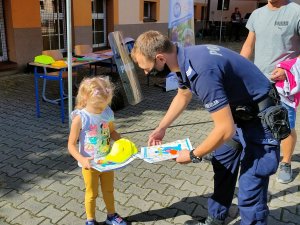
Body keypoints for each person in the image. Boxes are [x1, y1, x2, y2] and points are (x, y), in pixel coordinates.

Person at [131, 30, 290, 225]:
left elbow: (224, 130)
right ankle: (216, 219)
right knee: (222, 162)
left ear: (160, 58)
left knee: (251, 185)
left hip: (259, 121)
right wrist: (161, 127)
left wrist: (193, 155)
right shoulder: (183, 60)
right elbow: (183, 95)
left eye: (147, 68)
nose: (147, 73)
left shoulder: (202, 70)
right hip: (239, 115)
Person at [240, 0, 300, 184]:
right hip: (258, 81)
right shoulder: (257, 14)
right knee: (252, 120)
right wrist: (239, 68)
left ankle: (286, 163)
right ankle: (255, 152)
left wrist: (287, 70)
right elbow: (249, 45)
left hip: (284, 84)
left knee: (285, 124)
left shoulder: (296, 11)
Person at [68, 77, 127, 225]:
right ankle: (90, 220)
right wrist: (81, 159)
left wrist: (123, 143)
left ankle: (111, 216)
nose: (101, 110)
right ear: (86, 98)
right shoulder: (80, 118)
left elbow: (112, 132)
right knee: (92, 193)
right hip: (89, 164)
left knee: (109, 190)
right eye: (98, 107)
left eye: (104, 105)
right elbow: (70, 145)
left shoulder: (106, 112)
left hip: (107, 161)